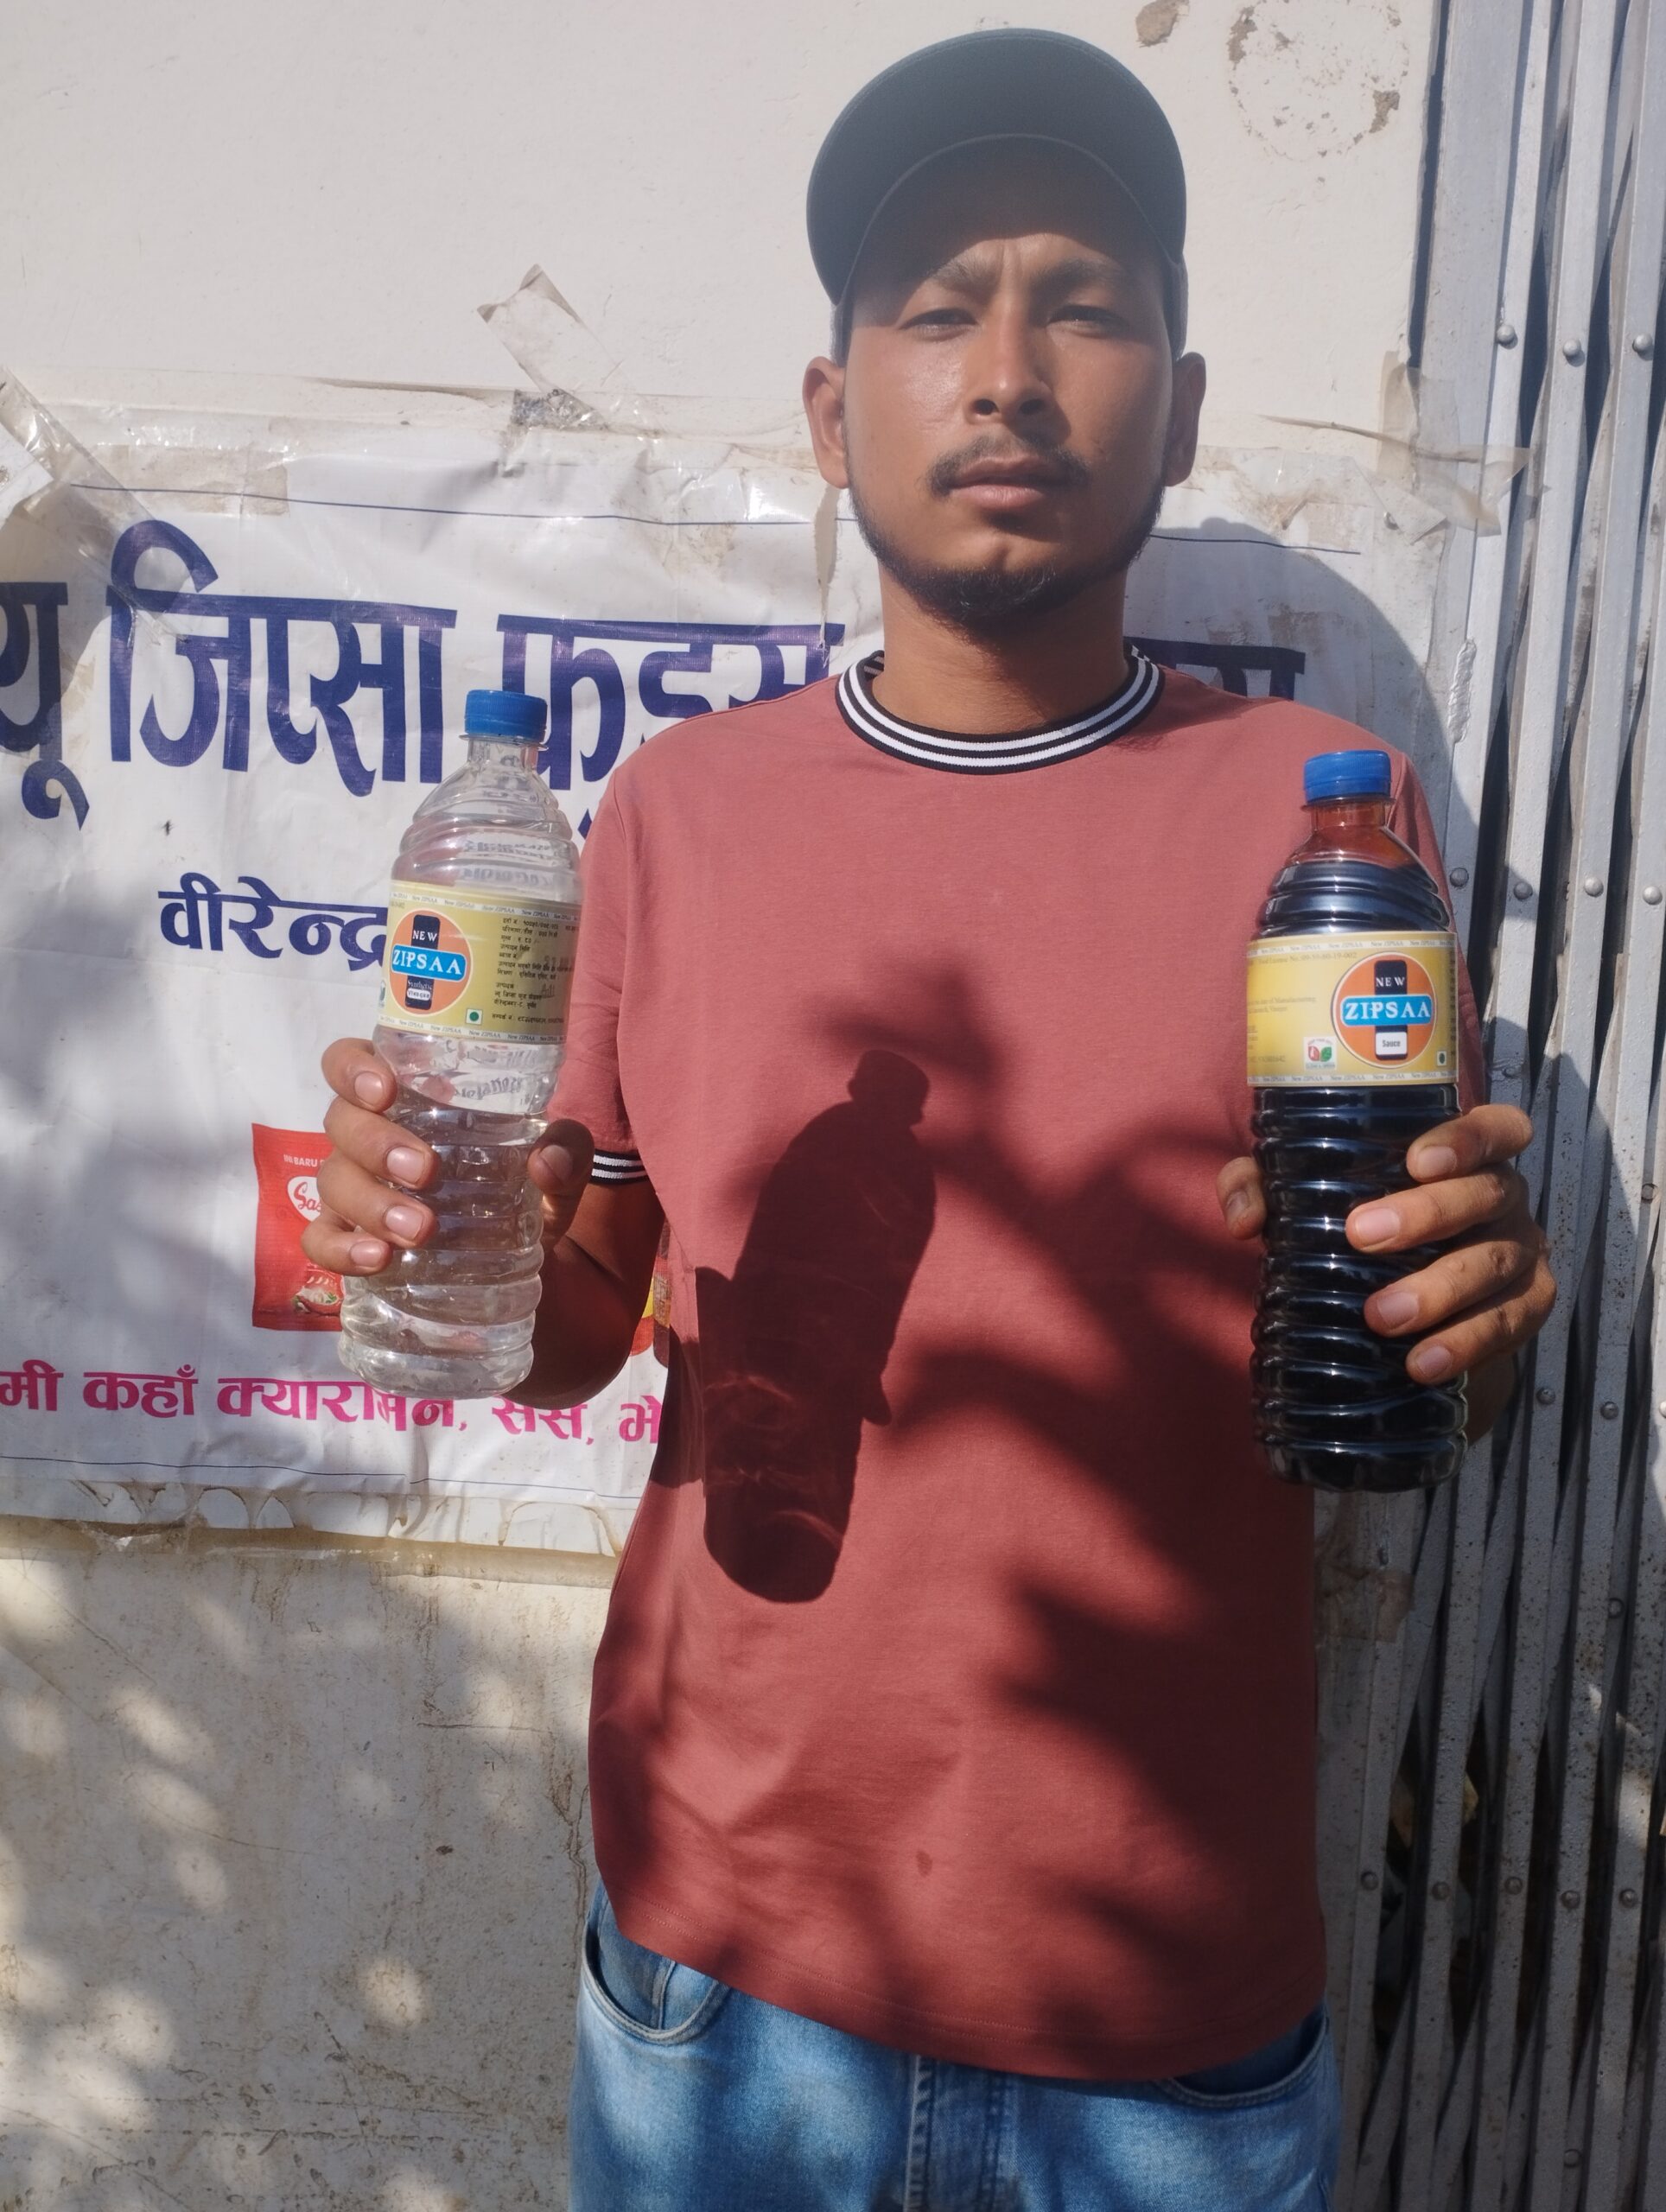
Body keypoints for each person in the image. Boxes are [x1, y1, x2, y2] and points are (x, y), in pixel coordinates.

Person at [304, 30, 1555, 2209]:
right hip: (723, 1979)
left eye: (1083, 303)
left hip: (1155, 2004)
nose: (1006, 372)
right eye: (934, 309)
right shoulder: (677, 814)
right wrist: (428, 1225)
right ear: (830, 409)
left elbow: (1389, 1326)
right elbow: (586, 1314)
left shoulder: (1318, 819)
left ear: (1174, 396)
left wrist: (1474, 1313)